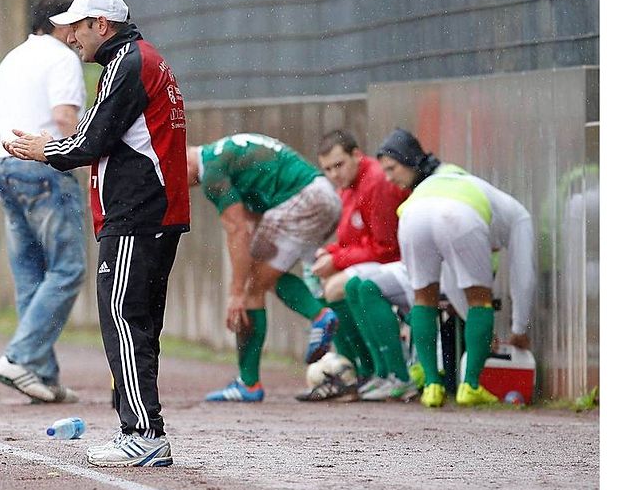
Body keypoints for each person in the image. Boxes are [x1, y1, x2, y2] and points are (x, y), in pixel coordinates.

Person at [4, 0, 189, 467]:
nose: (71, 38)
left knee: (123, 320)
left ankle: (143, 434)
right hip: (153, 214)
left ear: (100, 26)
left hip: (135, 215)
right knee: (139, 323)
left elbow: (92, 139)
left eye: (77, 28)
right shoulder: (143, 59)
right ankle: (142, 429)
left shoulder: (127, 62)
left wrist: (46, 149)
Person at [377, 128, 535, 408]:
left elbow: (448, 281)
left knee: (423, 297)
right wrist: (519, 327)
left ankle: (432, 387)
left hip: (413, 214)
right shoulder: (518, 215)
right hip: (460, 214)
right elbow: (524, 275)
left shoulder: (430, 184)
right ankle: (470, 386)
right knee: (480, 299)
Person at [0, 0, 88, 405]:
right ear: (61, 24)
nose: (78, 34)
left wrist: (2, 161)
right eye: (74, 25)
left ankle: (39, 373)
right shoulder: (61, 59)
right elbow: (63, 118)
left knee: (30, 275)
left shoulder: (13, 57)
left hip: (5, 167)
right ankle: (19, 357)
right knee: (67, 269)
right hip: (44, 168)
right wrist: (83, 158)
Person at [183, 133, 342, 402]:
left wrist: (235, 292)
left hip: (302, 199)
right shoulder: (224, 152)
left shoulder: (211, 172)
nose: (177, 187)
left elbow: (237, 231)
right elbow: (254, 219)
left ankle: (249, 383)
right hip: (324, 197)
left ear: (182, 162)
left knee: (250, 288)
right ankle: (336, 340)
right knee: (267, 277)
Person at [300, 129, 417, 402]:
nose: (334, 174)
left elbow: (387, 248)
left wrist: (337, 260)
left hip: (402, 264)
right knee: (328, 282)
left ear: (356, 155)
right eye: (327, 169)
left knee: (340, 286)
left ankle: (377, 370)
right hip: (378, 264)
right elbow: (350, 240)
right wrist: (327, 254)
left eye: (339, 165)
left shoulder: (377, 181)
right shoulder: (348, 188)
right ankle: (360, 371)